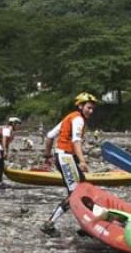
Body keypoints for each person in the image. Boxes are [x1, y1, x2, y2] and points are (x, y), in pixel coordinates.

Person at [40, 93, 98, 236]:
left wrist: (47, 155)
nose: (91, 111)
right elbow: (76, 141)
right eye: (88, 108)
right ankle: (49, 224)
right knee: (75, 194)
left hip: (63, 157)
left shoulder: (69, 117)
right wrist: (82, 161)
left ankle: (86, 226)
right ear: (80, 106)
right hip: (66, 158)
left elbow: (49, 136)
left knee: (83, 190)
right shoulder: (78, 119)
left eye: (92, 109)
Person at [0, 117, 20, 188]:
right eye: (17, 124)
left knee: (0, 165)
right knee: (0, 165)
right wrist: (5, 151)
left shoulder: (10, 130)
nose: (18, 126)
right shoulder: (7, 129)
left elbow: (7, 143)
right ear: (13, 124)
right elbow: (4, 140)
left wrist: (7, 151)